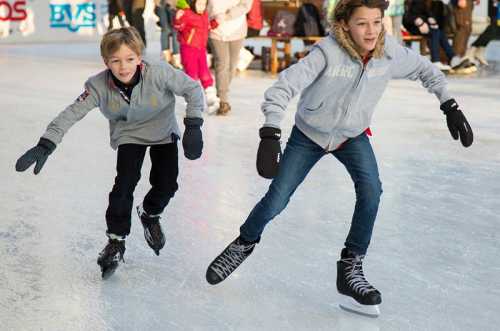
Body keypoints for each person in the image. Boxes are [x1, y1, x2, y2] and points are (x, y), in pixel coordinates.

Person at [205, 0, 473, 318]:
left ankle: (350, 267)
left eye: (376, 22)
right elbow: (283, 87)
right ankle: (244, 242)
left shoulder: (391, 54)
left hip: (352, 135)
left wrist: (449, 105)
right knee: (277, 199)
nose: (371, 30)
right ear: (345, 24)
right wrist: (270, 133)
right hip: (309, 135)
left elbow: (427, 71)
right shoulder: (327, 52)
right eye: (362, 23)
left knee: (372, 191)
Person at [15, 27, 205, 279]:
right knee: (124, 185)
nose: (123, 67)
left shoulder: (159, 72)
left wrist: (193, 124)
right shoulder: (97, 86)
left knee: (167, 184)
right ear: (106, 62)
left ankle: (149, 213)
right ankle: (116, 241)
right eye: (115, 61)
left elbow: (193, 89)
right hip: (128, 134)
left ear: (139, 57)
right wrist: (47, 142)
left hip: (162, 131)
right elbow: (72, 112)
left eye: (129, 59)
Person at [207, 0, 253, 115]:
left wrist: (228, 15)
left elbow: (246, 5)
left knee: (232, 66)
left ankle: (222, 93)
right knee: (222, 63)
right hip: (215, 28)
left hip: (236, 29)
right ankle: (223, 100)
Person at [174, 0, 220, 114]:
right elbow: (178, 26)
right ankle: (191, 103)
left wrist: (214, 23)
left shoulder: (203, 14)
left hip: (201, 49)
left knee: (205, 74)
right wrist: (178, 18)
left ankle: (211, 99)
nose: (201, 7)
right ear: (192, 3)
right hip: (189, 49)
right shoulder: (186, 13)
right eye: (199, 4)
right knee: (192, 76)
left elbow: (206, 26)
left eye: (204, 4)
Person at [403, 0, 462, 71]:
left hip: (427, 26)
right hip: (414, 26)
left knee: (439, 32)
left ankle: (453, 57)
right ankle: (436, 60)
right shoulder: (418, 2)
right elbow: (409, 17)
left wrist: (431, 20)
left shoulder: (437, 4)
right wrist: (420, 22)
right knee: (435, 32)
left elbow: (434, 18)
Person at [466, 0, 500, 65]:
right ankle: (471, 50)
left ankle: (479, 51)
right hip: (495, 7)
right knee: (492, 28)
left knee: (495, 31)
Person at [154, 0, 182, 67]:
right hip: (161, 4)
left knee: (175, 31)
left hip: (175, 5)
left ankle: (176, 58)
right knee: (165, 30)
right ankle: (166, 57)